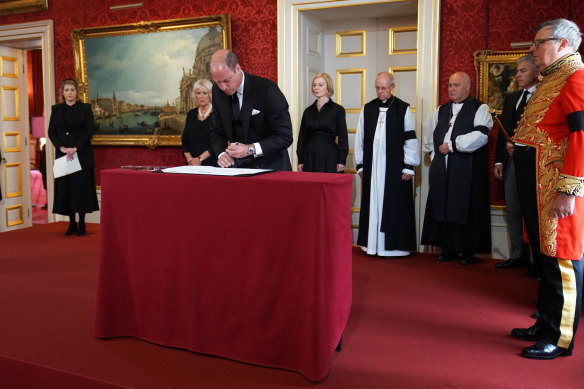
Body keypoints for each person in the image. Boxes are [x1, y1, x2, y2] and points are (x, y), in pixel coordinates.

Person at [509, 18, 584, 360]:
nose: (532, 49)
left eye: (539, 42)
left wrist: (568, 191)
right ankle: (546, 323)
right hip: (536, 182)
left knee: (560, 260)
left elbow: (581, 138)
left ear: (564, 44)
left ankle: (560, 337)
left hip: (556, 187)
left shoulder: (575, 77)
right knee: (544, 260)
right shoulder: (552, 79)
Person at [421, 72, 493, 265]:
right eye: (450, 85)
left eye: (457, 85)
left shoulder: (480, 108)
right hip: (442, 167)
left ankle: (467, 250)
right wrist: (433, 154)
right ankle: (447, 247)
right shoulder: (441, 109)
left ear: (468, 87)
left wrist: (453, 145)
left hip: (466, 166)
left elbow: (481, 135)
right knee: (443, 203)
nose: (452, 89)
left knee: (464, 204)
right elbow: (431, 135)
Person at [354, 72, 419, 257]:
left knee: (394, 203)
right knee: (373, 203)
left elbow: (410, 139)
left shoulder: (403, 109)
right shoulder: (367, 109)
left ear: (392, 87)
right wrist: (360, 164)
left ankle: (394, 248)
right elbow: (360, 138)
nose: (380, 92)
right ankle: (372, 245)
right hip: (372, 167)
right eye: (377, 88)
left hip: (395, 168)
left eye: (383, 88)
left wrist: (409, 166)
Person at [209, 49, 293, 170]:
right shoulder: (217, 91)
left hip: (271, 167)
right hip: (238, 170)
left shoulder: (267, 89)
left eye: (227, 81)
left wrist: (250, 149)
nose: (223, 87)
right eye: (218, 82)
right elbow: (216, 131)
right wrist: (222, 154)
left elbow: (285, 137)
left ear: (238, 68)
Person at [494, 55, 539, 269]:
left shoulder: (544, 95)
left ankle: (536, 261)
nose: (517, 75)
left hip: (534, 163)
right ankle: (517, 255)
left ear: (536, 72)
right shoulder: (512, 98)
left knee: (533, 211)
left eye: (523, 71)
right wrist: (498, 162)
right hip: (511, 161)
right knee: (513, 208)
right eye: (517, 71)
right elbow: (503, 133)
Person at [48, 78, 99, 236]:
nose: (69, 93)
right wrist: (63, 148)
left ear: (77, 92)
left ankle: (82, 223)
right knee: (67, 189)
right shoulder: (56, 110)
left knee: (80, 189)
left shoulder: (85, 108)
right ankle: (71, 223)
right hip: (63, 157)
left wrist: (75, 148)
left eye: (72, 90)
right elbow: (52, 132)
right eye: (66, 90)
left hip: (81, 155)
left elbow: (88, 130)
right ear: (62, 93)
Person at [297, 72, 348, 173]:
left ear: (328, 87)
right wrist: (301, 160)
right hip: (310, 156)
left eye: (320, 85)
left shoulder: (338, 110)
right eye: (314, 85)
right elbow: (302, 137)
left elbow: (343, 137)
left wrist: (341, 160)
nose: (316, 88)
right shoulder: (308, 111)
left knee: (329, 187)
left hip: (330, 155)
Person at [181, 79, 217, 167]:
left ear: (210, 95)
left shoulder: (217, 114)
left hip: (211, 164)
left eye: (205, 93)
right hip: (191, 164)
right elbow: (184, 140)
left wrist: (199, 159)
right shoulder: (191, 114)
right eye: (198, 93)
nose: (201, 96)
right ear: (195, 95)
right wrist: (190, 160)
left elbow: (218, 142)